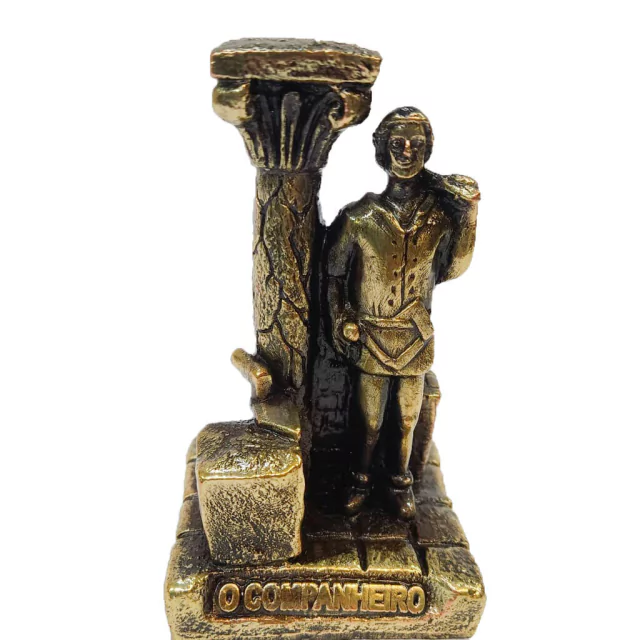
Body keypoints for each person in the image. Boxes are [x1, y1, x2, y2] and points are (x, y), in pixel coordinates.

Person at [324, 106, 480, 519]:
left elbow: (453, 267)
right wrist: (342, 318)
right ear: (382, 150)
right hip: (372, 335)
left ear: (427, 151)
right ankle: (359, 479)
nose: (407, 152)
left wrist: (469, 216)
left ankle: (400, 482)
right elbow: (334, 275)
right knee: (371, 421)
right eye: (397, 144)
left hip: (415, 335)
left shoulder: (437, 219)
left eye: (416, 144)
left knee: (408, 418)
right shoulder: (359, 218)